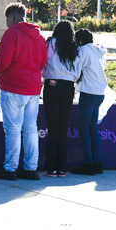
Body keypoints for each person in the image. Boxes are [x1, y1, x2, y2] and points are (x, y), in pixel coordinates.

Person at [0, 3, 47, 181]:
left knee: (13, 129)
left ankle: (10, 168)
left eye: (7, 18)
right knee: (30, 128)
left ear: (12, 17)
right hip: (33, 88)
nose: (6, 22)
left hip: (13, 87)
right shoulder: (39, 36)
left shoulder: (12, 33)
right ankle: (30, 168)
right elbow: (43, 62)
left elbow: (3, 61)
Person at [42, 21, 80, 177]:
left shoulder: (51, 43)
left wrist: (46, 77)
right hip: (69, 86)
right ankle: (62, 168)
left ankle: (51, 168)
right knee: (63, 128)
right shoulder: (75, 47)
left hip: (52, 84)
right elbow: (78, 70)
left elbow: (43, 62)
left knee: (53, 127)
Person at [71, 29, 108, 176]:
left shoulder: (83, 50)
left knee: (83, 129)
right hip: (99, 93)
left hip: (88, 93)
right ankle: (97, 163)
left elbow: (76, 69)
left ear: (79, 41)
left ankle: (88, 164)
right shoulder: (99, 51)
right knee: (93, 129)